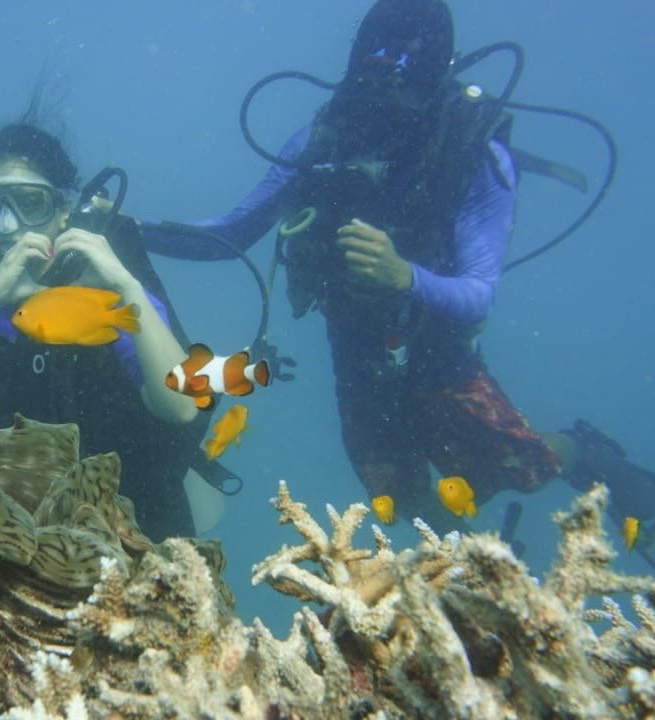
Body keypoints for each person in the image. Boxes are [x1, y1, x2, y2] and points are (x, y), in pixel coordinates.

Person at [142, 0, 655, 536]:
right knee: (395, 494)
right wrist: (127, 226)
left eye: (402, 54)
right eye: (374, 50)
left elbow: (480, 292)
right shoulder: (321, 139)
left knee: (518, 470)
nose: (383, 66)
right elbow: (231, 234)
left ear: (434, 64)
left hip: (436, 346)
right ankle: (462, 567)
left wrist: (404, 276)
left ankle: (585, 451)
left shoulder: (473, 150)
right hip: (355, 346)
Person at [0, 117, 214, 540]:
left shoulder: (102, 285)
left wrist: (125, 284)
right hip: (7, 521)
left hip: (131, 516)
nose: (6, 225)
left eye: (30, 203)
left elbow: (181, 408)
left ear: (63, 210)